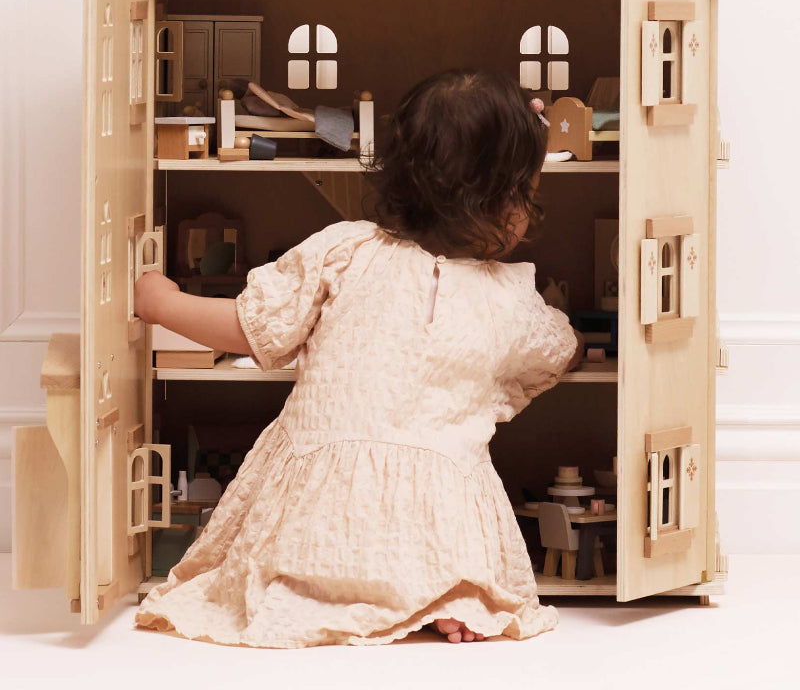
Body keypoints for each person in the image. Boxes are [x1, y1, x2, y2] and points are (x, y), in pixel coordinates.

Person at [133, 68, 584, 648]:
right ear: (506, 202)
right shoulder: (509, 298)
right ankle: (447, 595)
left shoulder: (346, 248)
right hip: (436, 518)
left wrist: (162, 302)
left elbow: (248, 329)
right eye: (526, 190)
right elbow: (560, 352)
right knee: (447, 536)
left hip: (315, 510)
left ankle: (323, 588)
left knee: (292, 566)